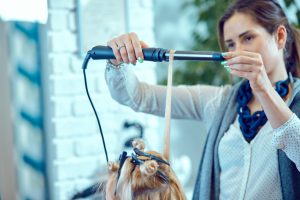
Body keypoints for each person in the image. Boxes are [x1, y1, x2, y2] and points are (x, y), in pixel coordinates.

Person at [104, 0, 300, 199]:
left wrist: (264, 88)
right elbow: (137, 97)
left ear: (280, 37)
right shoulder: (219, 101)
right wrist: (116, 61)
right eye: (231, 44)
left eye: (248, 38)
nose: (237, 50)